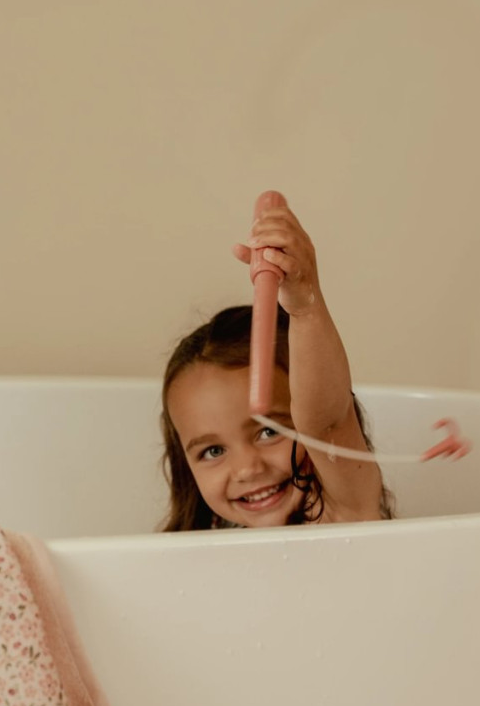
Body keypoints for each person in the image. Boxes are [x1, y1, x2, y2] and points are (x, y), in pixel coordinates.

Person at [160, 198, 394, 530]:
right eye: (213, 452)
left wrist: (305, 304)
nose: (247, 469)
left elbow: (326, 423)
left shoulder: (343, 513)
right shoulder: (211, 541)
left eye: (269, 432)